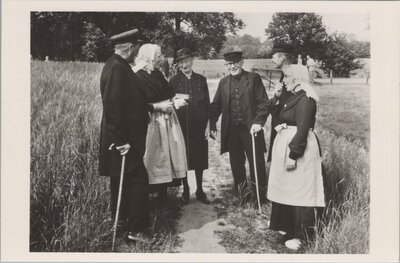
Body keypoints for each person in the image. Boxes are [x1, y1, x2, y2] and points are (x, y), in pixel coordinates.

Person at [99, 29, 152, 243]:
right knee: (139, 181)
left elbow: (128, 101)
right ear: (129, 48)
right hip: (122, 141)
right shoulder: (117, 69)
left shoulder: (118, 66)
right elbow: (112, 108)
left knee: (122, 182)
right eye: (135, 49)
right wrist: (121, 141)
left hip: (122, 138)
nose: (136, 53)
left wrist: (148, 107)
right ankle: (136, 230)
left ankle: (120, 225)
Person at [267, 68, 325, 251]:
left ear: (298, 79)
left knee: (301, 190)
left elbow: (302, 130)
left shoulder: (306, 99)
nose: (284, 82)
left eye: (288, 78)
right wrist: (276, 100)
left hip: (300, 150)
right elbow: (278, 114)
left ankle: (302, 236)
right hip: (290, 144)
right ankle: (287, 227)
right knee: (288, 188)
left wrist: (293, 155)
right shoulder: (294, 96)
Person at [209, 50, 269, 205]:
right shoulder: (223, 82)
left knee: (257, 163)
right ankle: (243, 196)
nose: (231, 67)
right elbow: (216, 105)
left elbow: (263, 102)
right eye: (228, 64)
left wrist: (258, 122)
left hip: (251, 129)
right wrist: (212, 123)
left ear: (241, 63)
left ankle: (259, 198)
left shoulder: (253, 79)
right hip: (232, 130)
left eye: (234, 63)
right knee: (236, 164)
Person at [132, 43, 188, 205]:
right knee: (152, 158)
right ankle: (145, 200)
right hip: (151, 123)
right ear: (149, 58)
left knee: (167, 157)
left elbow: (168, 93)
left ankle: (163, 197)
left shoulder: (157, 74)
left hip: (168, 122)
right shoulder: (136, 75)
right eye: (159, 56)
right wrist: (158, 107)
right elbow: (135, 104)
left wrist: (175, 102)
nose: (162, 59)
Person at [169, 48, 211, 205]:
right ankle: (185, 190)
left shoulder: (201, 80)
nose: (184, 64)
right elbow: (169, 104)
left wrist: (208, 126)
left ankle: (199, 190)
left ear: (192, 61)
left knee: (199, 159)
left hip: (199, 127)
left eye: (187, 61)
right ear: (178, 65)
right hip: (181, 127)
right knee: (183, 159)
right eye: (181, 62)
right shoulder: (173, 81)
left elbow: (207, 105)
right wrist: (175, 102)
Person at [266, 43, 297, 162]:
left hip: (289, 130)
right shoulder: (284, 75)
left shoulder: (293, 76)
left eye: (274, 57)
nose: (272, 60)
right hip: (281, 126)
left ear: (282, 58)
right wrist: (276, 96)